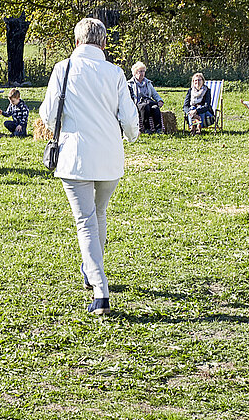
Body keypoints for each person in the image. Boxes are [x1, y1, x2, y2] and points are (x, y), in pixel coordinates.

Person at [40, 17, 139, 315]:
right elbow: (130, 118)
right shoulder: (115, 72)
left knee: (86, 222)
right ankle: (91, 270)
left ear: (77, 42)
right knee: (98, 215)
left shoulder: (64, 68)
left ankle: (100, 291)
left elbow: (48, 114)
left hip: (75, 157)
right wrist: (131, 135)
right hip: (109, 157)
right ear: (104, 43)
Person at [127, 62, 164, 134]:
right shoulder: (130, 84)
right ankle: (146, 128)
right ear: (135, 72)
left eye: (143, 71)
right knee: (145, 107)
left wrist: (159, 100)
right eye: (140, 71)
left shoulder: (148, 82)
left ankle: (159, 129)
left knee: (155, 107)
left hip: (148, 101)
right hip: (138, 103)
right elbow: (128, 97)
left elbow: (154, 93)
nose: (142, 73)